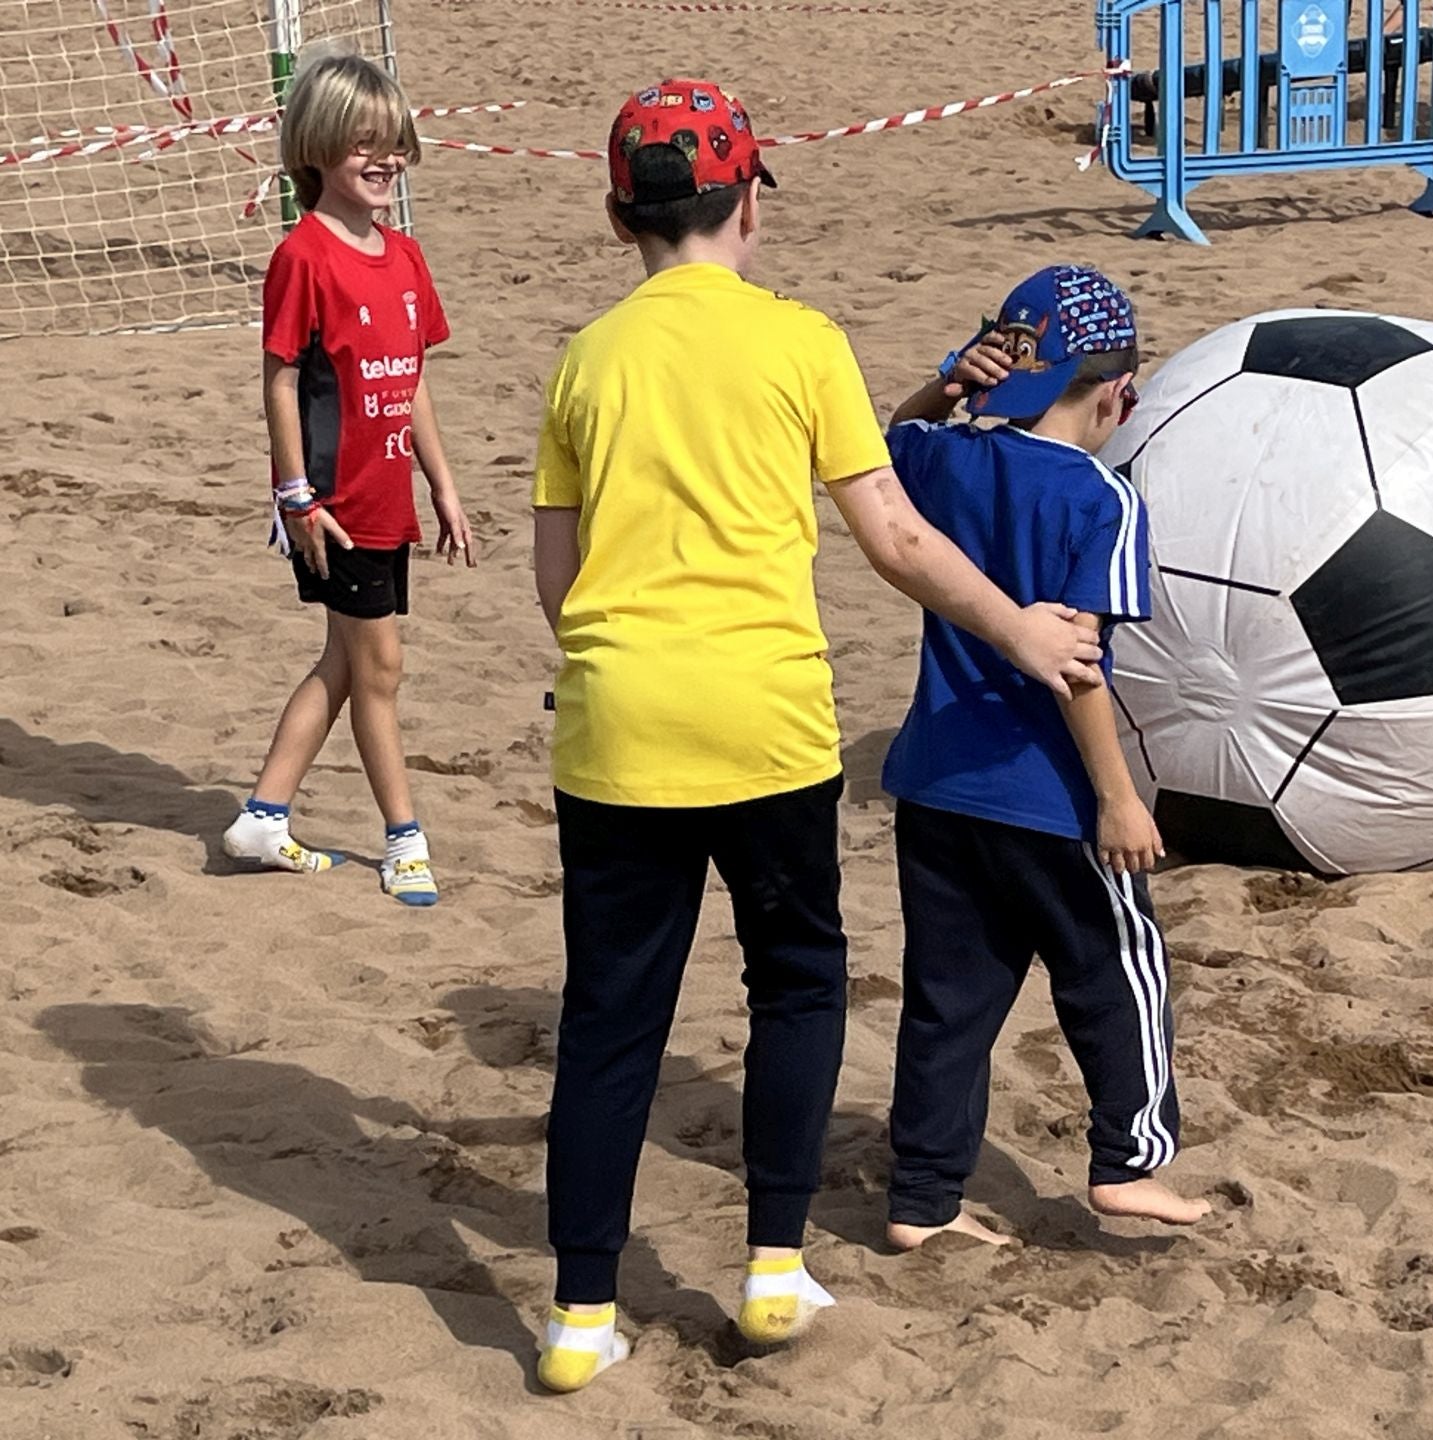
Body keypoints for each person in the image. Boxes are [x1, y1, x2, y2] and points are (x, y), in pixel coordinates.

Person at [529, 79, 1105, 1391]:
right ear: (747, 207)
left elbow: (557, 580)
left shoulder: (586, 359)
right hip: (768, 727)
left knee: (610, 1020)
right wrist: (1019, 631)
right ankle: (774, 1268)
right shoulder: (804, 343)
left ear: (621, 218)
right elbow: (895, 536)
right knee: (793, 986)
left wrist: (626, 658)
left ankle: (577, 1317)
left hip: (618, 728)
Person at [879, 266, 1211, 1252]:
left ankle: (922, 1200)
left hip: (937, 785)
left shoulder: (945, 458)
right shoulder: (1101, 499)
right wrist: (1118, 797)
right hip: (1049, 798)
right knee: (1119, 971)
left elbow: (884, 444)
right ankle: (1130, 1163)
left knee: (948, 1002)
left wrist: (948, 383)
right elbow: (1077, 666)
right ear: (1119, 396)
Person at [220, 48, 474, 908]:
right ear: (319, 146)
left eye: (394, 142)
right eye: (364, 142)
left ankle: (264, 815)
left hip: (390, 500)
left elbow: (414, 381)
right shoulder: (303, 257)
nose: (385, 158)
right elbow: (280, 378)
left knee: (345, 659)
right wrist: (295, 494)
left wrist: (442, 485)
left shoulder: (405, 257)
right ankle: (405, 839)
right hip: (332, 508)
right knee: (381, 669)